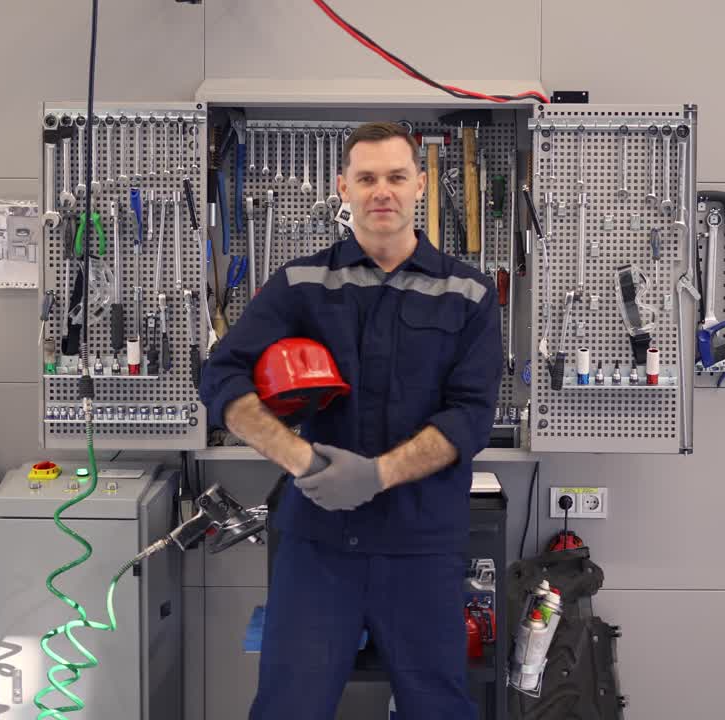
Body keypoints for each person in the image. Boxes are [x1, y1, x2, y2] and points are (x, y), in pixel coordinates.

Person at [198, 120, 502, 719]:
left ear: (420, 184)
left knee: (438, 709)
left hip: (422, 548)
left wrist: (378, 475)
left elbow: (471, 415)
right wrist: (303, 460)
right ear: (343, 187)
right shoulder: (301, 284)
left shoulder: (468, 293)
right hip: (319, 548)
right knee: (288, 708)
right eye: (366, 178)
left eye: (395, 176)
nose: (380, 191)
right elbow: (220, 377)